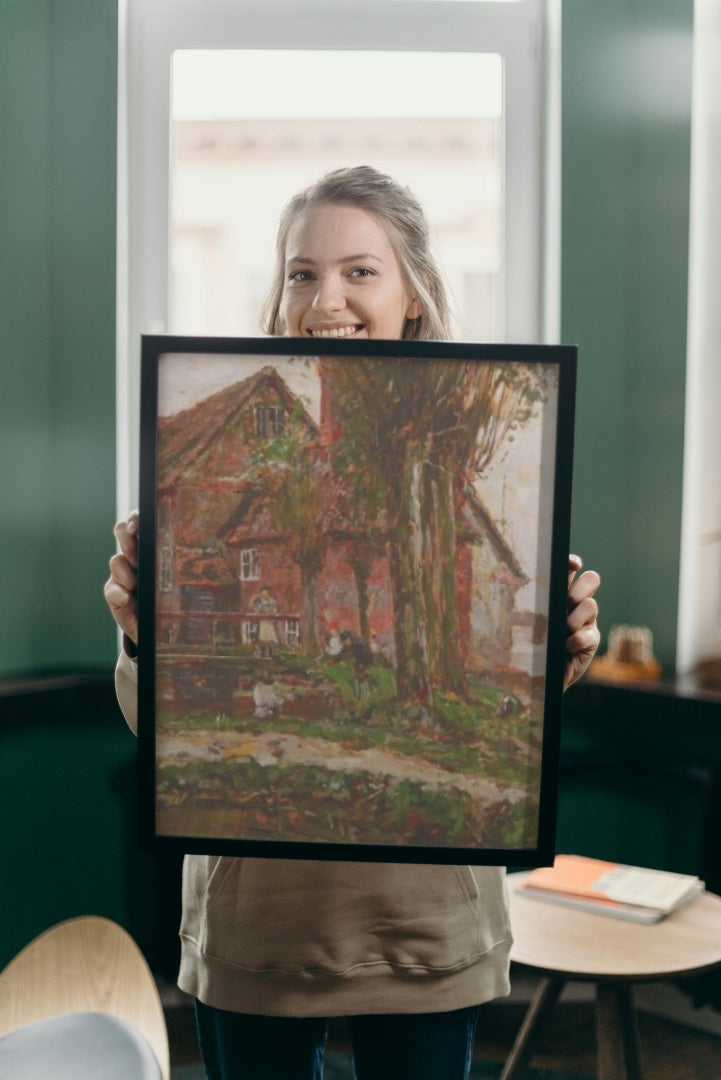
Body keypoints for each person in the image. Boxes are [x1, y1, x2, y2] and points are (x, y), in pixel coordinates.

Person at [105, 166, 601, 1080]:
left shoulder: (477, 443)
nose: (324, 297)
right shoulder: (248, 433)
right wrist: (142, 637)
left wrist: (557, 654)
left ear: (413, 293)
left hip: (425, 926)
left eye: (359, 271)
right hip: (257, 927)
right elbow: (160, 730)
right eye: (301, 272)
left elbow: (517, 719)